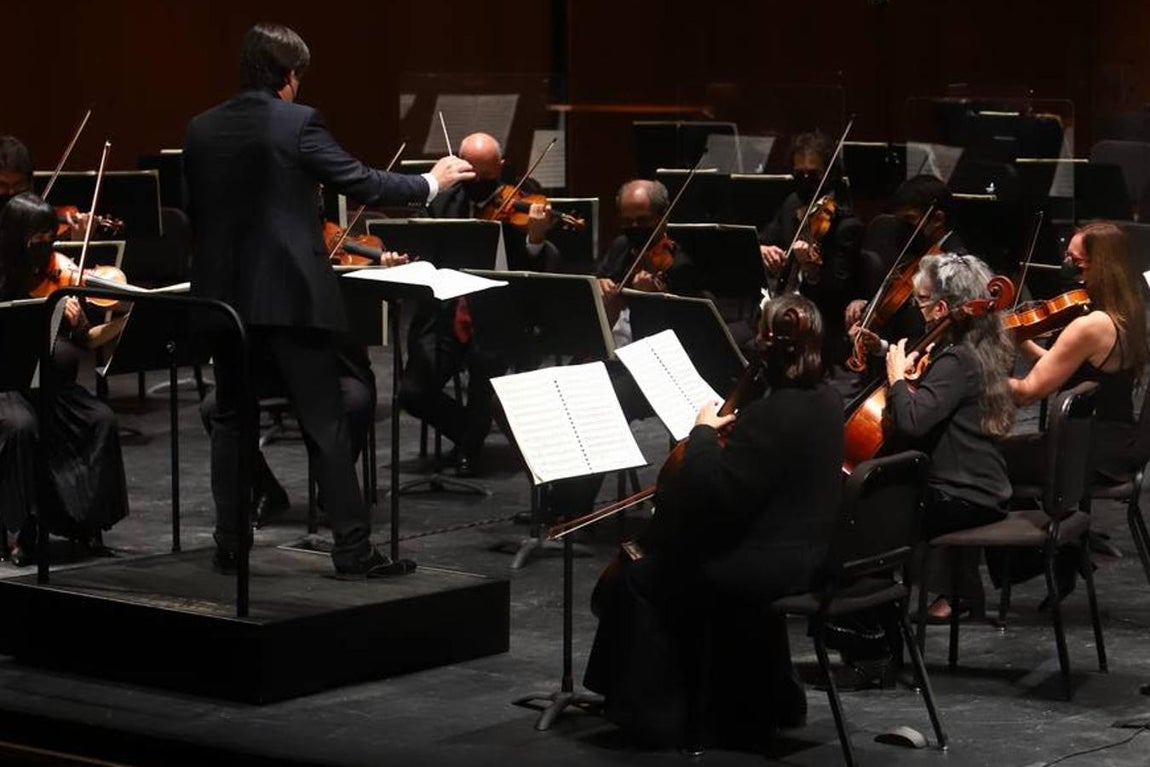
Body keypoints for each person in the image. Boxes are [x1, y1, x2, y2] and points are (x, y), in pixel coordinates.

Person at [182, 22, 474, 577]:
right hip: (290, 298)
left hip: (222, 303)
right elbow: (361, 183)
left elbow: (194, 212)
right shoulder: (297, 123)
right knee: (325, 421)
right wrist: (431, 182)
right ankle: (352, 550)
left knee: (231, 419)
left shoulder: (201, 129)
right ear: (288, 76)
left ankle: (229, 544)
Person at [584, 294, 844, 749]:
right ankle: (762, 700)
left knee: (643, 575)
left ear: (768, 345)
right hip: (813, 556)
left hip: (764, 568)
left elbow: (714, 495)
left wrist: (702, 432)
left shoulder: (770, 414)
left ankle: (655, 715)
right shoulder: (827, 401)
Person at [398, 131, 558, 477]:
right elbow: (426, 256)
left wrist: (535, 237)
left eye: (487, 178)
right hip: (448, 312)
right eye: (471, 176)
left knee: (486, 366)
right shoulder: (441, 201)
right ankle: (470, 430)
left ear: (500, 167)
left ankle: (470, 448)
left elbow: (543, 268)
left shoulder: (523, 199)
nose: (478, 186)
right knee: (412, 392)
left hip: (500, 312)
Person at [1001, 222, 1149, 595]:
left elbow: (1027, 392)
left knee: (984, 457)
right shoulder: (1125, 313)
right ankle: (1064, 549)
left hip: (1085, 449)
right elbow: (1064, 361)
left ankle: (1045, 552)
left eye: (1076, 262)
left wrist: (974, 370)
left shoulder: (1089, 325)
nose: (1067, 266)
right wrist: (1020, 340)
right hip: (1114, 438)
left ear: (1101, 266)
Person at [881, 253, 1015, 620]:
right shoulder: (977, 348)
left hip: (963, 494)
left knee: (870, 518)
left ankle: (874, 626)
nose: (917, 308)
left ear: (942, 307)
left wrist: (895, 378)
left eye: (921, 301)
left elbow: (911, 423)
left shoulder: (956, 359)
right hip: (981, 486)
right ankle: (956, 594)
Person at [0, 192, 130, 564]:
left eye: (51, 240)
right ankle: (19, 532)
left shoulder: (59, 271)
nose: (48, 252)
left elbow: (84, 342)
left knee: (99, 418)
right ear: (14, 238)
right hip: (7, 386)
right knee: (21, 425)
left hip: (50, 387)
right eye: (38, 242)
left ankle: (86, 526)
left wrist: (100, 321)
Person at [759, 132, 863, 366]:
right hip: (778, 311)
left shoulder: (846, 225)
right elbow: (765, 238)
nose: (805, 180)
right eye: (799, 174)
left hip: (815, 325)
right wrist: (764, 249)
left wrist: (811, 271)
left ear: (831, 174)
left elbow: (836, 295)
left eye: (814, 175)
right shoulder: (792, 204)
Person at [845, 174, 963, 367]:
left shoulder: (953, 267)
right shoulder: (917, 255)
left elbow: (925, 336)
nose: (901, 229)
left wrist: (882, 346)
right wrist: (869, 306)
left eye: (909, 220)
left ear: (938, 219)